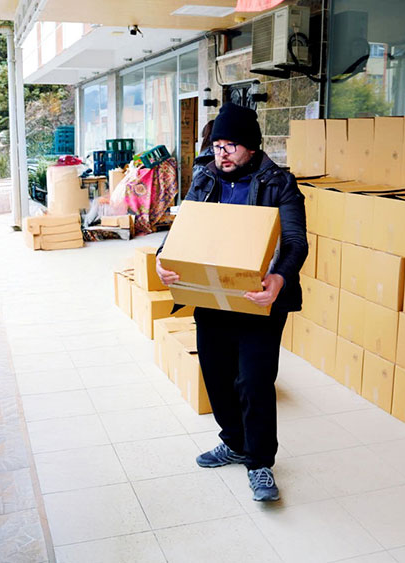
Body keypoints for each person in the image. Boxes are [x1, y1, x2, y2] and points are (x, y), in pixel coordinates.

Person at [155, 103, 307, 502]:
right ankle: (234, 442)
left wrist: (278, 278)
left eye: (232, 145)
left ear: (252, 148)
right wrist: (162, 258)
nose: (222, 153)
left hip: (258, 298)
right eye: (218, 144)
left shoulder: (280, 184)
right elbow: (181, 231)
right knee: (216, 374)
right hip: (212, 296)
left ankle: (259, 462)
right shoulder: (205, 178)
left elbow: (294, 241)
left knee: (253, 382)